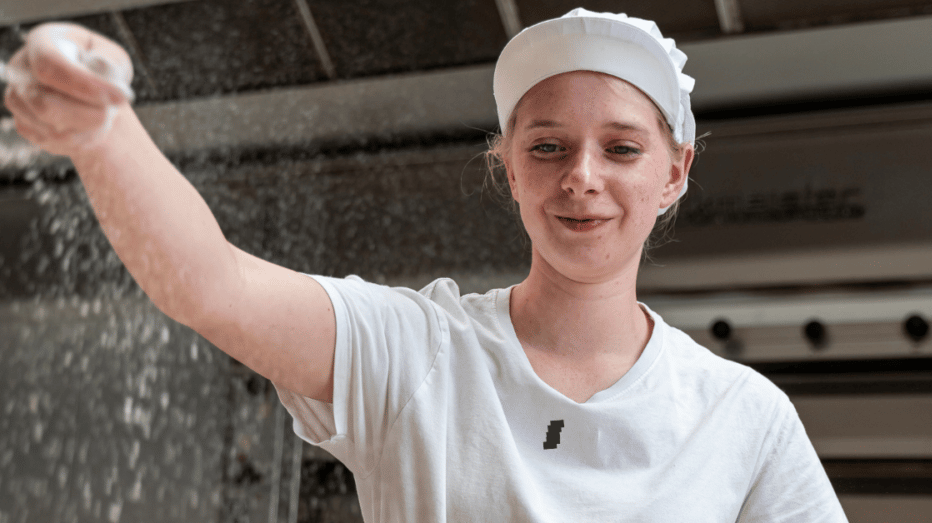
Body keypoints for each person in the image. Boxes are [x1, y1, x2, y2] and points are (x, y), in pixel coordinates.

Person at [4, 8, 848, 522]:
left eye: (621, 147)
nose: (581, 176)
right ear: (510, 168)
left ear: (674, 172)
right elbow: (212, 286)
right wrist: (100, 134)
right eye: (548, 146)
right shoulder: (419, 352)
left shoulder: (743, 416)